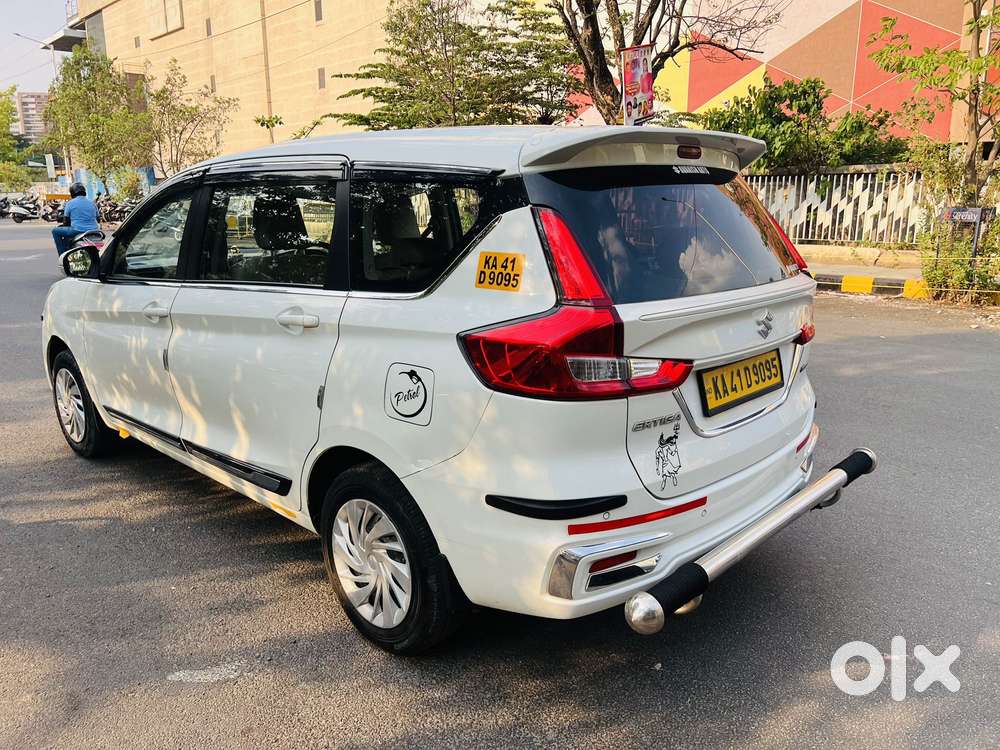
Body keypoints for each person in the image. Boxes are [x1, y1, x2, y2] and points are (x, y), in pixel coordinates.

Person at [52, 183, 99, 256]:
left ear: (72, 193)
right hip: (94, 230)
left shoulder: (70, 203)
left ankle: (63, 255)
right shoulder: (92, 203)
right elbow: (98, 219)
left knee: (55, 231)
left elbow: (66, 222)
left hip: (77, 230)